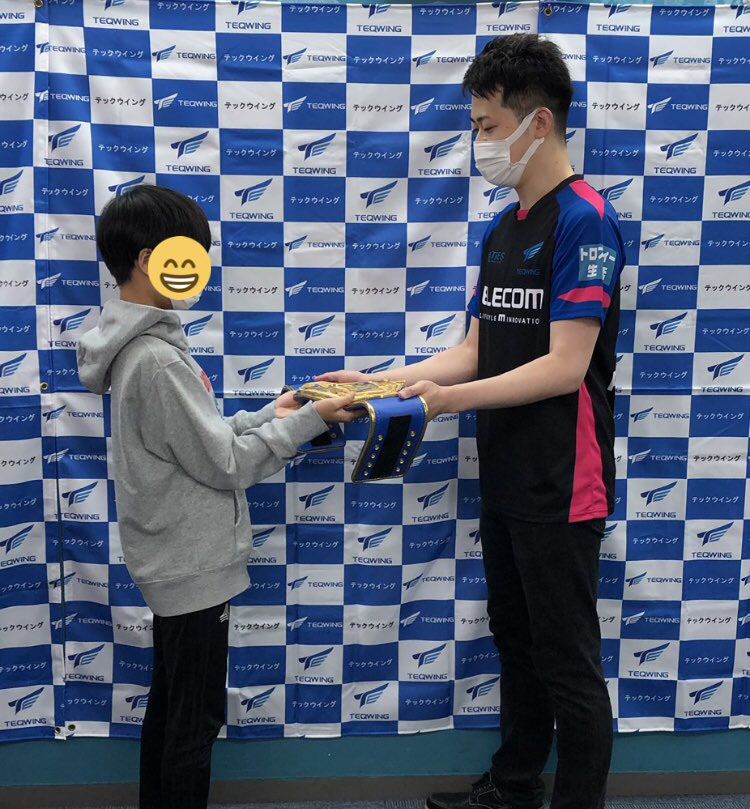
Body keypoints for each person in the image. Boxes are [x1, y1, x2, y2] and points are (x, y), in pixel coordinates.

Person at [317, 34, 624, 809]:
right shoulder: (504, 228)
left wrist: (445, 401)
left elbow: (565, 366)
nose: (479, 142)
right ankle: (514, 786)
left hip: (565, 480)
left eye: (488, 126)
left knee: (569, 663)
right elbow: (473, 351)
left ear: (539, 123)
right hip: (507, 473)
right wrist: (381, 381)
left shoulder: (585, 221)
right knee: (516, 643)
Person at [76, 184, 355, 809]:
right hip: (191, 565)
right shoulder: (155, 359)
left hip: (177, 559)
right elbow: (227, 464)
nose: (199, 268)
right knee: (193, 724)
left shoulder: (142, 348)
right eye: (189, 254)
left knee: (172, 710)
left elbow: (203, 442)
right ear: (148, 259)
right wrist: (309, 422)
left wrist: (278, 410)